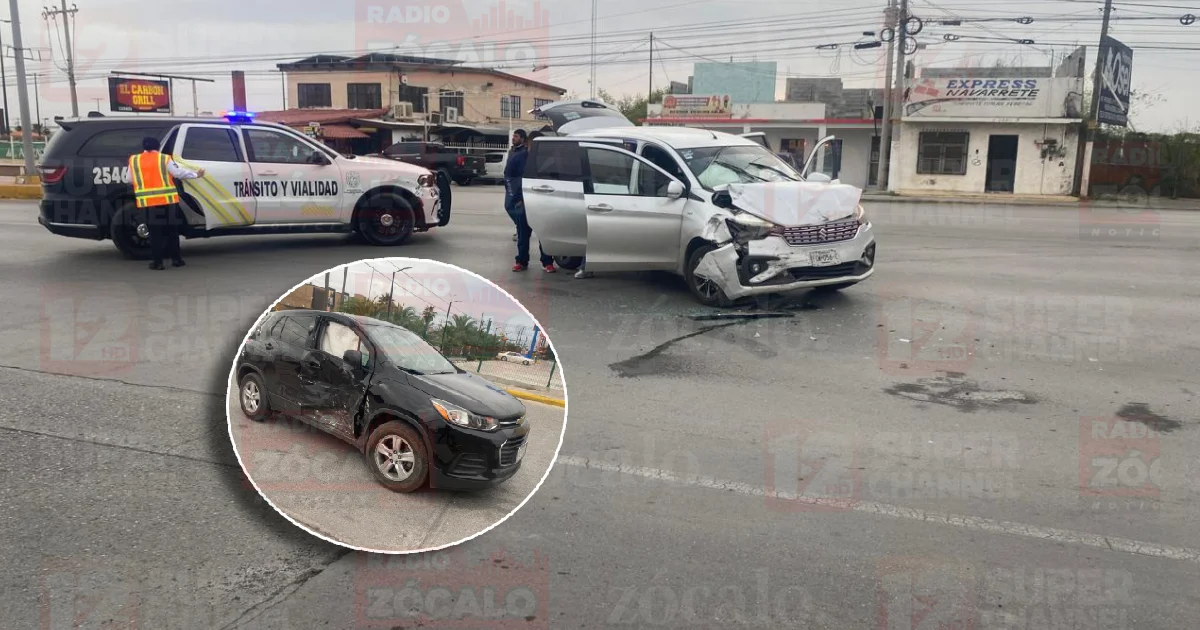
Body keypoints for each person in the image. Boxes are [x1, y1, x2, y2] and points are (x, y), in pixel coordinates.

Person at [128, 137, 205, 270]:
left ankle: (157, 263)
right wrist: (195, 175)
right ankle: (177, 260)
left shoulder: (134, 160)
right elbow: (177, 173)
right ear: (157, 147)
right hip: (167, 201)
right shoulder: (164, 158)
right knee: (171, 231)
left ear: (144, 147)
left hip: (148, 203)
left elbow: (128, 179)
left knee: (154, 233)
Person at [504, 129, 555, 273]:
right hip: (523, 203)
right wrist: (516, 199)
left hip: (542, 203)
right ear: (528, 143)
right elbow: (508, 178)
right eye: (534, 144)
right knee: (523, 233)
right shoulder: (518, 158)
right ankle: (521, 261)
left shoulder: (547, 160)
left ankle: (547, 262)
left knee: (543, 233)